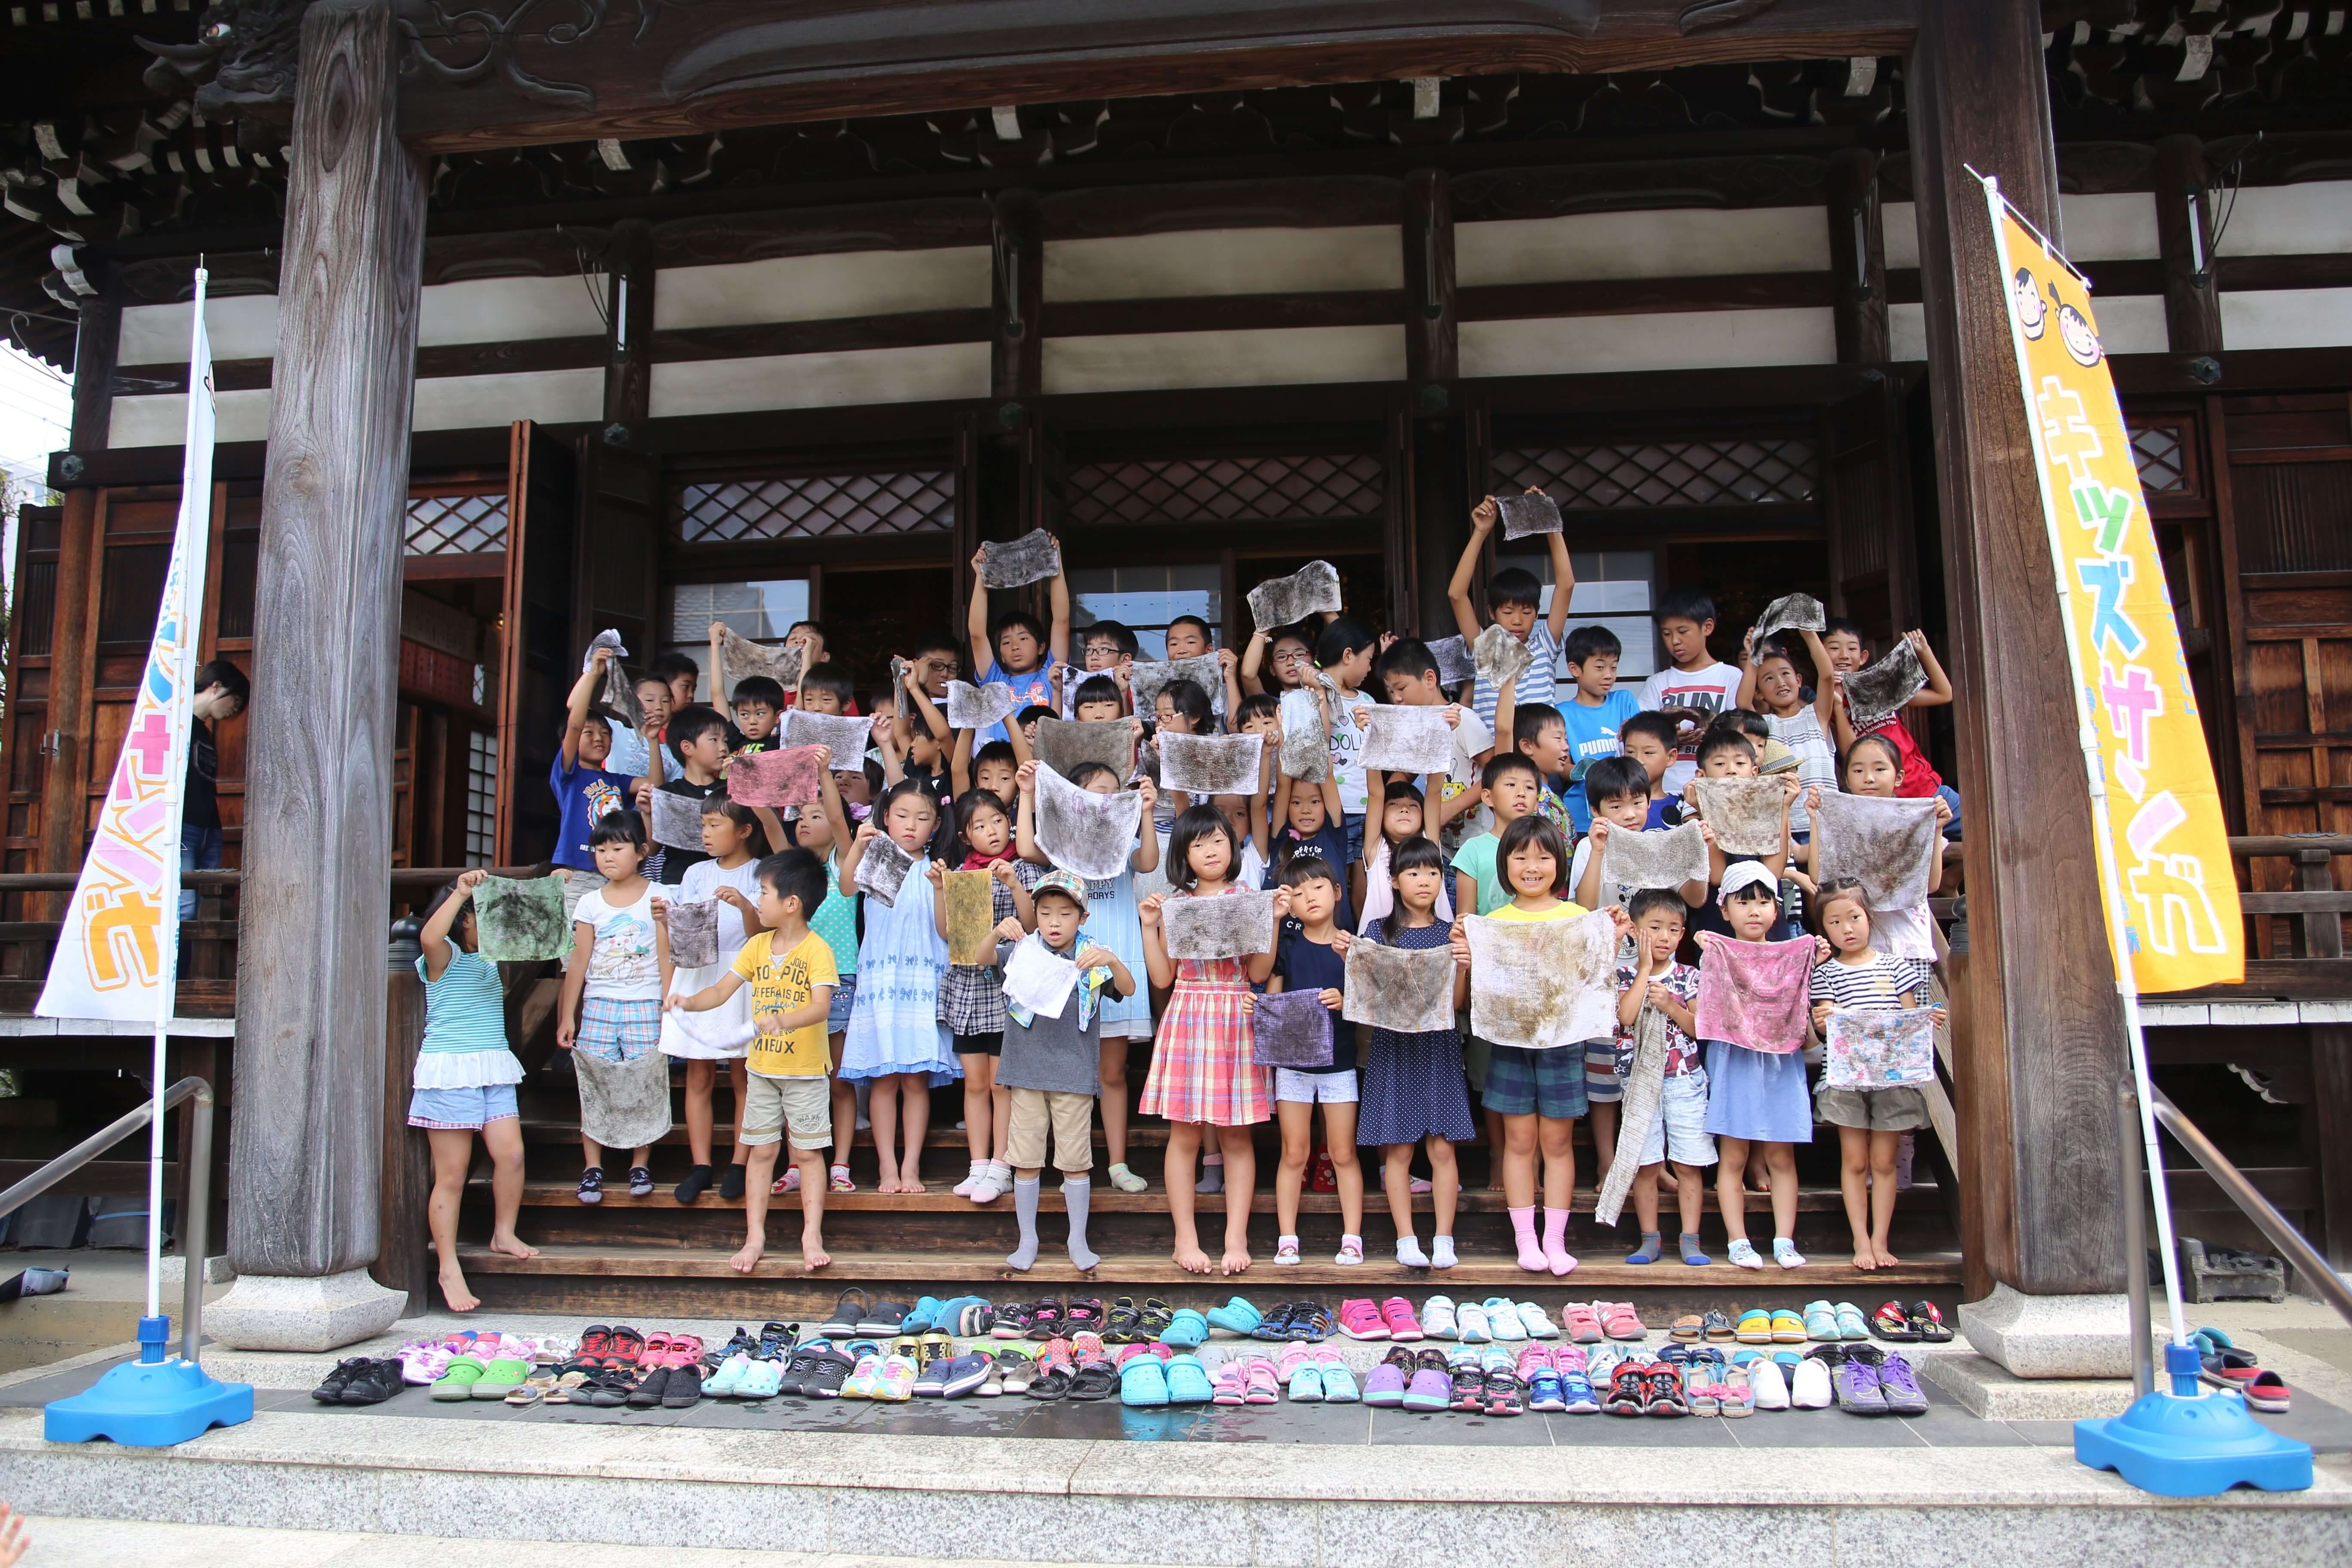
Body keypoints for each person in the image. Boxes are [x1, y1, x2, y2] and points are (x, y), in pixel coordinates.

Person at [1449, 815, 1618, 1276]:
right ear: (1504, 865)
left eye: (1543, 857)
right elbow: (1469, 997)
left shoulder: (1577, 918)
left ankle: (1555, 1241)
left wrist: (1613, 938)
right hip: (1511, 1044)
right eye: (1520, 856)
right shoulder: (1492, 923)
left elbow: (1591, 979)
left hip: (1563, 1045)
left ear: (1559, 863)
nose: (1532, 866)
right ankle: (1526, 1240)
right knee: (1520, 1142)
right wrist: (1465, 957)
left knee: (1558, 1143)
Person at [666, 849, 838, 1272]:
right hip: (761, 1071)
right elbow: (720, 991)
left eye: (763, 892)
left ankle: (811, 1235)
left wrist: (783, 1020)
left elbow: (821, 1008)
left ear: (791, 903)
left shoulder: (818, 950)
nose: (757, 900)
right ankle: (754, 1237)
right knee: (761, 1153)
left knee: (809, 1155)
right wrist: (686, 1001)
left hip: (806, 1073)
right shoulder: (757, 945)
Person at [1139, 804, 1276, 1274]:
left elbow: (1258, 972)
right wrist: (1150, 927)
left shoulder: (1247, 897)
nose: (1211, 850)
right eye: (1198, 844)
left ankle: (1236, 1237)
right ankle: (1186, 1238)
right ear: (1184, 855)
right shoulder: (1177, 904)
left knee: (1237, 1135)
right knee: (1185, 1134)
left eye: (1218, 840)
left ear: (1232, 846)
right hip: (1189, 1013)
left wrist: (1272, 922)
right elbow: (1163, 978)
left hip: (1235, 1013)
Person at [1017, 759, 1160, 1193]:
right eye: (1099, 791)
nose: (1110, 799)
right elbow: (1025, 848)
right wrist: (1026, 794)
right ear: (1076, 800)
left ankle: (1117, 1165)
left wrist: (1147, 811)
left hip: (1116, 969)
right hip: (1067, 975)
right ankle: (1071, 1167)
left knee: (1112, 1074)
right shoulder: (1061, 843)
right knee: (1072, 1076)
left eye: (1116, 792)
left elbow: (1149, 860)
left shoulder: (1124, 841)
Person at [1570, 754, 1706, 1180]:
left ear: (1650, 801)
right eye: (1616, 806)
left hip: (1658, 975)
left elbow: (1696, 899)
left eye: (1637, 803)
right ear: (1596, 810)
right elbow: (1582, 907)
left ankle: (1654, 1164)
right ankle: (1609, 1162)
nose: (1629, 814)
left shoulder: (1663, 843)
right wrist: (1597, 851)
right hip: (1607, 977)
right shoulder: (1588, 846)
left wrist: (1700, 854)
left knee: (1653, 1067)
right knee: (1606, 1075)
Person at [407, 869, 534, 1311]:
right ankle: (448, 1267)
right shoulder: (444, 957)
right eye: (484, 916)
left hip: (493, 1067)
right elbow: (429, 937)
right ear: (466, 921)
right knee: (453, 1174)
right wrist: (461, 892)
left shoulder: (491, 956)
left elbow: (535, 928)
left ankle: (504, 1233)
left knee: (512, 1155)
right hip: (450, 1071)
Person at [995, 870, 1134, 1272]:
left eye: (1065, 914)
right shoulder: (1024, 950)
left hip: (1074, 1074)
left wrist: (1112, 959)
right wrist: (997, 933)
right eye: (1045, 913)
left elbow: (1127, 989)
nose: (1054, 922)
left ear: (1083, 917)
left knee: (1076, 1160)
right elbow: (983, 956)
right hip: (1026, 1071)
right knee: (1025, 1160)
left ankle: (1078, 1238)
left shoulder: (1092, 956)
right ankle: (1028, 1238)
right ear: (1035, 915)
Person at [1808, 876, 1941, 1271]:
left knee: (1884, 1163)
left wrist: (1926, 1021)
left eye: (1854, 917)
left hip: (1892, 1079)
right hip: (1846, 1080)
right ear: (1824, 928)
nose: (1847, 929)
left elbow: (1908, 1019)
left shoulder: (1897, 967)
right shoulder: (1825, 974)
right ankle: (1860, 1239)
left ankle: (1881, 1238)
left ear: (1870, 917)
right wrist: (1821, 1021)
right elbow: (1824, 1031)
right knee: (1854, 1162)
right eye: (1835, 922)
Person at [1697, 862, 1822, 1270]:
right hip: (1736, 1059)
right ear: (1724, 909)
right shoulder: (1717, 952)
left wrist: (1814, 960)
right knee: (1733, 1156)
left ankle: (1785, 1240)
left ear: (1777, 910)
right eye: (1743, 902)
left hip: (1781, 1060)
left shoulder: (1792, 954)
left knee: (1782, 1156)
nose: (1755, 911)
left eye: (1764, 902)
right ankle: (1738, 1240)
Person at [1355, 836, 1472, 1268]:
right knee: (1399, 1151)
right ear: (1394, 880)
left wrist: (1464, 965)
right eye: (1413, 872)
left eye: (1433, 872)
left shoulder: (1450, 933)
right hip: (1394, 1049)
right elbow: (1368, 999)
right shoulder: (1377, 933)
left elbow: (1456, 1004)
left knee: (1443, 1150)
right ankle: (1406, 1239)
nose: (1424, 880)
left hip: (1439, 1048)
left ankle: (1444, 1239)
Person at [839, 779, 959, 1193]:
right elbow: (847, 887)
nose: (911, 825)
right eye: (903, 816)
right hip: (882, 978)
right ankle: (887, 1168)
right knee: (884, 1079)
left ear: (936, 824)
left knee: (915, 1079)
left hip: (922, 979)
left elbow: (946, 932)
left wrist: (941, 888)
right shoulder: (877, 857)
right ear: (886, 817)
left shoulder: (938, 869)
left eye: (922, 818)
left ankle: (911, 1167)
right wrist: (858, 847)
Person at [655, 796, 768, 1205]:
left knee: (744, 1076)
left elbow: (761, 933)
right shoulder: (695, 873)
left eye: (715, 825)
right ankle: (700, 1164)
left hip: (742, 974)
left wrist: (745, 905)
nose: (705, 833)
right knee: (698, 1075)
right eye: (703, 825)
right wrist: (666, 921)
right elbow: (684, 934)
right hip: (699, 971)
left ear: (744, 831)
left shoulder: (760, 872)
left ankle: (739, 1163)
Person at [934, 788, 1041, 1204]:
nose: (992, 830)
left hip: (1008, 989)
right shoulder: (963, 873)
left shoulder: (1024, 868)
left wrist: (1013, 884)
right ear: (965, 836)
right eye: (979, 826)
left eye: (997, 820)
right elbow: (948, 933)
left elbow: (1032, 925)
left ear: (1009, 822)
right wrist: (940, 889)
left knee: (1001, 1085)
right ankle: (977, 1165)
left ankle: (1002, 1166)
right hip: (969, 987)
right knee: (975, 1083)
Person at [1449, 749, 1550, 1181]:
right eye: (1511, 786)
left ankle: (1536, 1162)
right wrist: (1471, 976)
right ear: (1487, 796)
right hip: (1490, 979)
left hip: (1538, 976)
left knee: (1536, 1069)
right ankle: (1498, 1157)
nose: (1522, 794)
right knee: (1492, 1073)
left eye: (1530, 787)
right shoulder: (1474, 849)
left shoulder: (1547, 844)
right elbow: (1467, 919)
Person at [557, 812, 668, 1204]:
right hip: (599, 1003)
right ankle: (593, 1167)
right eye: (601, 849)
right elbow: (579, 961)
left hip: (646, 1002)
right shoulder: (590, 902)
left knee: (645, 1081)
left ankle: (640, 1163)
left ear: (641, 852)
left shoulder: (660, 896)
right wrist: (567, 1015)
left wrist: (670, 1004)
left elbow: (667, 955)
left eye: (617, 848)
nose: (607, 857)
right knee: (595, 1081)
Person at [1265, 854, 1364, 1268]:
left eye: (1319, 887)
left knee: (1343, 1153)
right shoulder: (1287, 947)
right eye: (1299, 892)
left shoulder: (1353, 947)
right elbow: (1272, 1003)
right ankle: (1287, 1238)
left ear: (1338, 892)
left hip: (1340, 1064)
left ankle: (1353, 1238)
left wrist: (1348, 999)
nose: (1310, 897)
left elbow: (1374, 1004)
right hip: (1293, 1066)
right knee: (1294, 1153)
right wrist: (1260, 1006)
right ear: (1289, 904)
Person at [1614, 887, 1715, 1268]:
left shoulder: (1690, 976)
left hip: (1684, 1080)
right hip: (1639, 1081)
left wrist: (1672, 1005)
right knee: (1646, 1164)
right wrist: (1643, 971)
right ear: (1635, 930)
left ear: (1682, 935)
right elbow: (1625, 1017)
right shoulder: (1623, 975)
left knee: (1688, 1164)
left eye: (1673, 929)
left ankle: (1691, 1239)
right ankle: (1650, 1240)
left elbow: (1700, 1029)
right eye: (1654, 927)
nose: (1664, 937)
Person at [1798, 733, 1952, 962]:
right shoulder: (1841, 824)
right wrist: (1816, 819)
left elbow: (1930, 885)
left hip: (1907, 940)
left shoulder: (1914, 823)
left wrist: (1936, 828)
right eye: (1858, 771)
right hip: (1859, 946)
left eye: (1880, 769)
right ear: (1846, 779)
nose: (1869, 778)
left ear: (1899, 777)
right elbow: (1820, 876)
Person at [787, 759, 863, 1193]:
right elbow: (769, 820)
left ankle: (841, 1164)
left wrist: (822, 775)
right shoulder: (789, 870)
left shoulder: (842, 863)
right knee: (796, 1078)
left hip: (840, 980)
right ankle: (797, 1163)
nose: (805, 822)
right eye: (800, 816)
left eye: (814, 816)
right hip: (793, 981)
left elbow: (837, 817)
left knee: (838, 1082)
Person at [1447, 487, 1575, 734]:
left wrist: (1548, 521)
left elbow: (1566, 585)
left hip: (1540, 751)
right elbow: (1457, 595)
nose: (1518, 621)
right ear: (1492, 613)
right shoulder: (1485, 646)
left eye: (1526, 612)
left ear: (1537, 614)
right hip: (1494, 752)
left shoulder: (1544, 646)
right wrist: (1481, 532)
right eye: (1508, 612)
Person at [1822, 621, 1959, 827]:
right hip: (1889, 807)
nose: (1843, 655)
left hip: (1929, 791)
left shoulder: (1878, 687)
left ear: (1863, 657)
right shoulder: (1822, 707)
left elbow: (1944, 694)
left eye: (1852, 648)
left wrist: (1925, 652)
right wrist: (1838, 705)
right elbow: (1851, 752)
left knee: (1985, 828)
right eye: (1834, 648)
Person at [1372, 637, 1496, 851]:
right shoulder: (1417, 726)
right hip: (1443, 847)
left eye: (1401, 688)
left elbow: (1497, 772)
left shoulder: (1463, 719)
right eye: (1391, 692)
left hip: (1479, 842)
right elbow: (1405, 775)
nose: (1397, 698)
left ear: (1430, 679)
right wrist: (1388, 805)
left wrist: (1452, 807)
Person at [553, 645, 643, 918]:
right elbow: (574, 724)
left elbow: (654, 784)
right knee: (575, 940)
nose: (599, 738)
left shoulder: (616, 780)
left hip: (614, 872)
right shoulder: (569, 774)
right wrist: (593, 674)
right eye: (589, 733)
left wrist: (652, 739)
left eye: (605, 733)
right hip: (576, 870)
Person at [649, 704, 782, 885]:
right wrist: (647, 814)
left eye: (725, 741)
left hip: (733, 882)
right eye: (714, 740)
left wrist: (741, 784)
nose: (723, 748)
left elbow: (766, 831)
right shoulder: (668, 794)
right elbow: (652, 849)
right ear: (687, 748)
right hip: (678, 883)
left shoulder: (733, 789)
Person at [1638, 588, 1744, 796]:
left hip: (1716, 788)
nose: (1675, 641)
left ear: (1707, 627)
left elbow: (1740, 732)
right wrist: (1669, 737)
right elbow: (1640, 736)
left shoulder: (1731, 677)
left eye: (1683, 632)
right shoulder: (1658, 683)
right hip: (1666, 790)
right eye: (1667, 634)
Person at [968, 538, 1071, 742]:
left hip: (1042, 757)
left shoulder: (1051, 675)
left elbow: (1062, 621)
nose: (1015, 647)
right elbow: (977, 635)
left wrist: (1055, 566)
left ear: (1041, 647)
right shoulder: (995, 682)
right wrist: (981, 577)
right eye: (1006, 643)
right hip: (1002, 760)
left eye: (1023, 638)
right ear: (1001, 656)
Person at [1741, 633, 1838, 841]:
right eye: (1769, 679)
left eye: (1785, 674)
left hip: (1826, 822)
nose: (1780, 682)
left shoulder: (1817, 714)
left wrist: (1809, 634)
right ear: (1759, 694)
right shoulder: (1765, 726)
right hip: (1786, 827)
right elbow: (1743, 703)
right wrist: (1752, 658)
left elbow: (1827, 676)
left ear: (1799, 680)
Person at [181, 658, 249, 920]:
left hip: (209, 828)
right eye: (236, 700)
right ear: (216, 687)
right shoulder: (177, 723)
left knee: (203, 907)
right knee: (184, 906)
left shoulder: (205, 732)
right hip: (184, 827)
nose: (235, 709)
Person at [1556, 626, 1641, 833]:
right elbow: (1561, 768)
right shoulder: (1562, 714)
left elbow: (1644, 751)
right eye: (1600, 667)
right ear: (1575, 669)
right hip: (1582, 817)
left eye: (1614, 667)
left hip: (1628, 814)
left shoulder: (1624, 702)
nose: (1609, 675)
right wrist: (1586, 771)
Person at [1312, 617, 1380, 867]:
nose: (1370, 668)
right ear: (1348, 655)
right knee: (1335, 876)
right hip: (1332, 809)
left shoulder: (1368, 701)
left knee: (1367, 875)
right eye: (1369, 659)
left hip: (1369, 808)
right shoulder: (1310, 695)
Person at [1357, 779, 1454, 937]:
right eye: (1394, 804)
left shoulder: (1429, 845)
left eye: (1413, 805)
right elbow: (1376, 793)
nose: (1404, 809)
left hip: (1437, 939)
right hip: (1381, 942)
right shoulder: (1377, 849)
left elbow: (1434, 790)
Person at [1617, 710, 1680, 828]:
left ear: (1671, 757)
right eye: (1631, 752)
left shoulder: (1682, 807)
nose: (1638, 760)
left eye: (1649, 753)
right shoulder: (1614, 805)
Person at [727, 675, 786, 755]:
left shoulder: (780, 744)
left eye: (760, 714)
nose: (752, 722)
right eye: (745, 715)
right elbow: (717, 694)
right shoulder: (735, 741)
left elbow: (797, 714)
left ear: (778, 716)